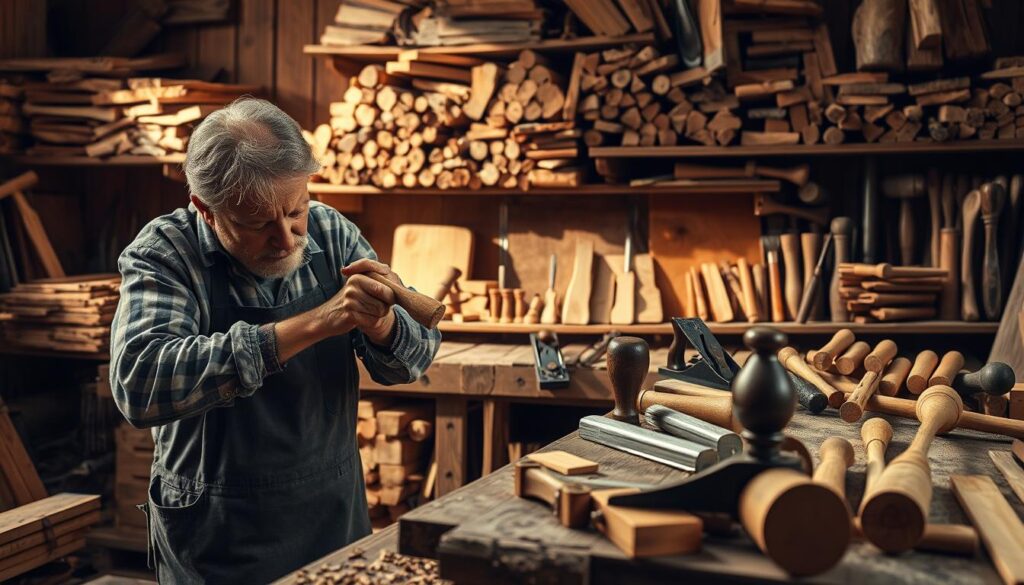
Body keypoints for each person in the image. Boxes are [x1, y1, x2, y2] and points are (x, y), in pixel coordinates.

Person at [109, 97, 441, 583]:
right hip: (217, 532)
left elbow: (415, 359)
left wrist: (382, 326)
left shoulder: (331, 232)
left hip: (331, 514)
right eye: (258, 223)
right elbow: (140, 384)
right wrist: (315, 323)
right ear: (205, 209)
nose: (286, 239)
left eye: (295, 211)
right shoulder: (166, 254)